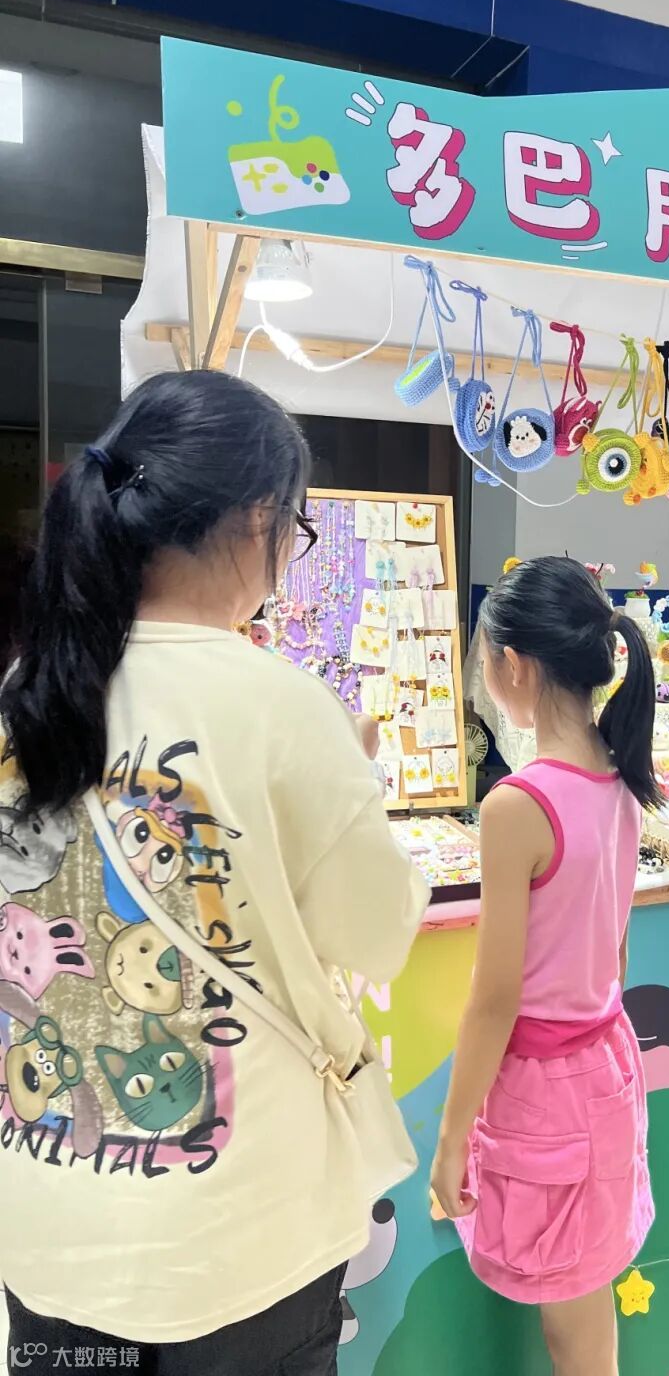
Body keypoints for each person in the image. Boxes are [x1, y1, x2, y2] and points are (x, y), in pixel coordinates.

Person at [0, 370, 428, 1373]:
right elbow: (377, 934)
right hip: (235, 1244)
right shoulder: (281, 704)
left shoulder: (28, 691)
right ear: (259, 519)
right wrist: (356, 780)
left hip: (46, 1220)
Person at [430, 556, 658, 1376]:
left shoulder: (518, 805)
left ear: (514, 666)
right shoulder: (620, 777)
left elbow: (493, 1001)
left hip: (546, 1092)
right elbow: (615, 953)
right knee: (585, 1310)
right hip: (607, 1068)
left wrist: (451, 1138)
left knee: (573, 1316)